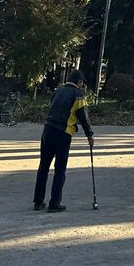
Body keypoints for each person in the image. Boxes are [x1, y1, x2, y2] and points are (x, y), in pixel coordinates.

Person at [33, 69, 94, 212]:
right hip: (63, 133)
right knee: (60, 169)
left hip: (48, 130)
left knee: (43, 167)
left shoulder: (57, 91)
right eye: (82, 83)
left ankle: (38, 201)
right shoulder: (78, 95)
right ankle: (54, 203)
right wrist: (89, 135)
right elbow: (83, 117)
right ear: (79, 82)